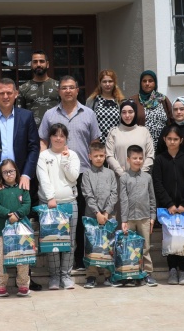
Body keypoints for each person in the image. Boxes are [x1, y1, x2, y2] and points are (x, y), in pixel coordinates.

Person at [0, 78, 40, 293]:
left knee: (23, 228)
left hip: (20, 180)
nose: (5, 96)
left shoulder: (26, 117)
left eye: (9, 92)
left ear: (16, 93)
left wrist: (27, 174)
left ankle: (25, 279)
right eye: (1, 93)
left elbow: (33, 148)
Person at [39, 76, 101, 271]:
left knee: (81, 218)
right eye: (64, 87)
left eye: (71, 88)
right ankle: (57, 263)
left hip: (82, 172)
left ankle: (79, 259)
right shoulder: (50, 114)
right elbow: (42, 140)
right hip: (55, 175)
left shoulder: (89, 114)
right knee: (58, 220)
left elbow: (95, 141)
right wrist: (43, 162)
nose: (67, 91)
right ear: (59, 91)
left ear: (77, 90)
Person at [36, 123, 81, 290]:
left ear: (66, 138)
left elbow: (73, 177)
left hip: (70, 203)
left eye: (62, 136)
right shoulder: (43, 156)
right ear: (50, 137)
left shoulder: (73, 155)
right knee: (52, 242)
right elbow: (43, 178)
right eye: (55, 135)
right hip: (50, 204)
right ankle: (54, 276)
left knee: (70, 241)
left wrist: (64, 160)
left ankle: (66, 275)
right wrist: (50, 198)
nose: (58, 138)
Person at [152, 125, 184, 286]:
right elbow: (157, 183)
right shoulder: (160, 159)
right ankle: (172, 269)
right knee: (170, 239)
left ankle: (183, 271)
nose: (172, 142)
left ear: (181, 140)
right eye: (169, 139)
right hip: (168, 209)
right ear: (164, 139)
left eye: (175, 139)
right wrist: (169, 203)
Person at [117, 145, 157, 287]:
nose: (138, 161)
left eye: (140, 158)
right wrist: (124, 220)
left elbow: (152, 198)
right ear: (128, 159)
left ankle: (147, 273)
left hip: (145, 217)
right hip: (130, 219)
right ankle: (131, 274)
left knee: (145, 247)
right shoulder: (124, 178)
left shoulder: (147, 177)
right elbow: (123, 199)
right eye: (135, 158)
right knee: (130, 247)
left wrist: (153, 216)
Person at [0, 159, 32, 297]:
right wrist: (8, 213)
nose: (9, 174)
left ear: (16, 171)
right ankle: (0, 285)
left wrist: (18, 214)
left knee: (22, 258)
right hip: (1, 230)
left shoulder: (22, 188)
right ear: (1, 174)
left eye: (11, 171)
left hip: (21, 230)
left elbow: (27, 204)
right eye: (5, 172)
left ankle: (23, 284)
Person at [81, 142, 117, 288]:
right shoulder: (86, 174)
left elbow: (114, 194)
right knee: (92, 246)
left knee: (109, 246)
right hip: (92, 217)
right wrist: (97, 213)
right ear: (90, 156)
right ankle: (91, 276)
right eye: (95, 156)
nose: (99, 158)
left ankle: (108, 275)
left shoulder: (110, 173)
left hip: (109, 216)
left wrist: (106, 212)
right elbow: (87, 195)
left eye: (101, 155)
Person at [106, 100, 155, 177]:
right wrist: (122, 173)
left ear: (135, 113)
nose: (127, 115)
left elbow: (150, 155)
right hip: (120, 179)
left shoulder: (144, 131)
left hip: (140, 178)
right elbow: (109, 155)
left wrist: (140, 173)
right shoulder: (114, 132)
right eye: (124, 112)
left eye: (130, 112)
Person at [131, 70, 172, 150]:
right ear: (140, 83)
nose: (147, 83)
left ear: (155, 83)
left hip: (163, 147)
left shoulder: (162, 99)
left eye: (150, 81)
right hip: (142, 148)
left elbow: (171, 120)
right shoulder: (134, 100)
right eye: (144, 81)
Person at [17, 50, 61, 126]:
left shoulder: (58, 86)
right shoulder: (23, 88)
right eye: (35, 62)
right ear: (31, 64)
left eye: (41, 61)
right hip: (32, 133)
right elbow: (19, 115)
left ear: (47, 64)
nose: (38, 64)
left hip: (56, 133)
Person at [86, 69, 125, 144]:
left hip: (116, 143)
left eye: (110, 81)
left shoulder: (120, 101)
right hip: (98, 145)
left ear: (114, 83)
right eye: (104, 81)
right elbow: (87, 122)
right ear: (100, 83)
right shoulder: (92, 101)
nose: (107, 84)